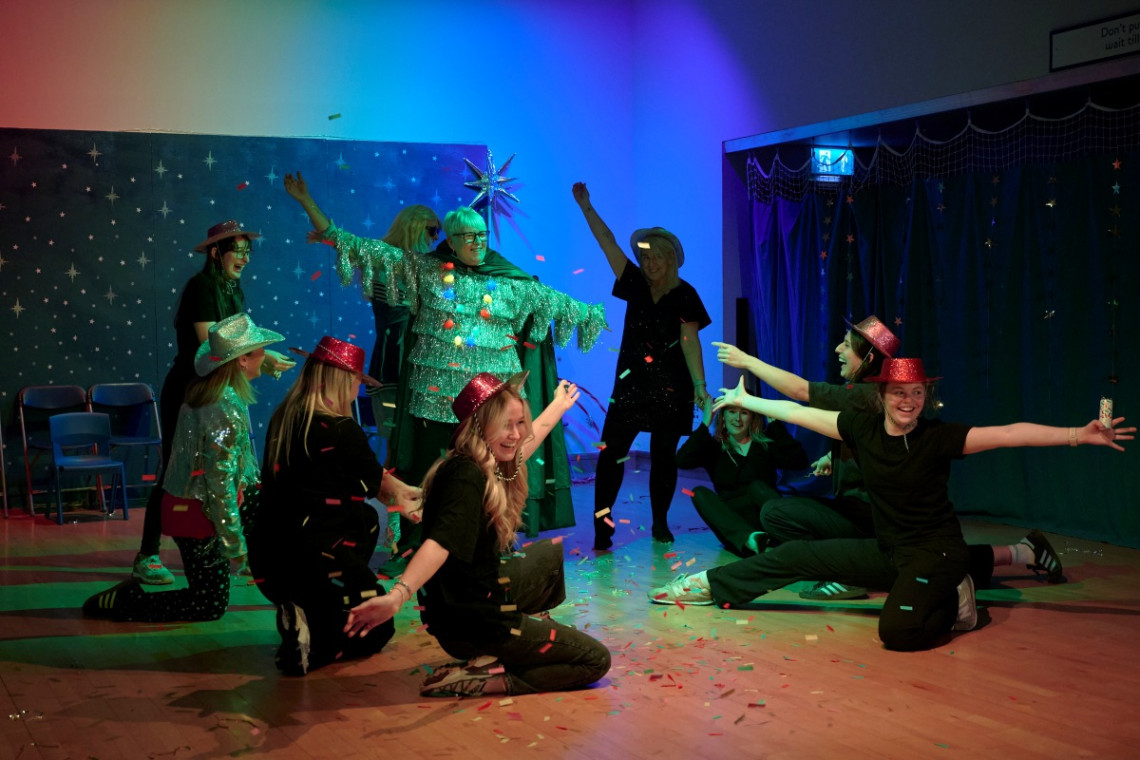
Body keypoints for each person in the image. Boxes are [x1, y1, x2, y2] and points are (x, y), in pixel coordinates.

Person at [650, 359, 1135, 652]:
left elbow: (1010, 435)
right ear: (881, 396)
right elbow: (800, 411)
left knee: (898, 632)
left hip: (935, 553)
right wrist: (751, 404)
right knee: (796, 555)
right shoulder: (860, 428)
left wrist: (1079, 435)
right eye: (900, 393)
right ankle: (712, 585)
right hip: (887, 549)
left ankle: (959, 603)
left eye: (917, 394)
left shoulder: (939, 438)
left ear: (926, 398)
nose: (909, 401)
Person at [284, 172, 606, 538]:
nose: (476, 243)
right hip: (434, 403)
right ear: (451, 241)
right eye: (467, 237)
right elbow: (358, 246)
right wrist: (309, 203)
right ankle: (420, 548)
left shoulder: (511, 282)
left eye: (481, 236)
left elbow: (560, 304)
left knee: (490, 478)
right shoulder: (423, 269)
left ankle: (489, 541)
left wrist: (593, 314)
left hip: (489, 408)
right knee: (430, 479)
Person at [714, 315, 1065, 600]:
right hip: (891, 522)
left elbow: (799, 394)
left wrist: (747, 362)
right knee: (923, 558)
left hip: (877, 516)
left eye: (846, 346)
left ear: (867, 359)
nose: (837, 349)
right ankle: (1022, 552)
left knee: (779, 513)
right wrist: (835, 460)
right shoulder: (868, 399)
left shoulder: (867, 395)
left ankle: (850, 577)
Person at [343, 372, 611, 697]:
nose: (516, 434)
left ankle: (502, 654)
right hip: (472, 622)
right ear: (481, 426)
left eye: (519, 422)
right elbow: (439, 544)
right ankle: (491, 676)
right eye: (506, 425)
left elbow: (530, 440)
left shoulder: (485, 460)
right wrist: (397, 596)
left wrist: (558, 405)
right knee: (596, 660)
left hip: (476, 596)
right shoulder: (466, 477)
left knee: (550, 556)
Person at [84, 314, 284, 621]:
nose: (264, 359)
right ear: (243, 360)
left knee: (266, 501)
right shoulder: (223, 409)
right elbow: (219, 485)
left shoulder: (221, 397)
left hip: (206, 508)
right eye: (260, 353)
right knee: (208, 606)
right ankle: (127, 603)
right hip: (198, 516)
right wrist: (236, 546)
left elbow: (240, 477)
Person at [131, 220, 295, 586]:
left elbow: (240, 341)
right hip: (193, 390)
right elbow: (214, 346)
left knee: (230, 472)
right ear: (216, 252)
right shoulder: (201, 287)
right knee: (177, 472)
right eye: (239, 250)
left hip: (222, 388)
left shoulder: (232, 288)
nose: (245, 258)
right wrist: (264, 359)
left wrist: (263, 358)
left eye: (248, 251)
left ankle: (230, 546)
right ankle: (148, 554)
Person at [249, 336, 423, 676]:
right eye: (356, 380)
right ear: (344, 381)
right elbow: (386, 490)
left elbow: (382, 485)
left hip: (269, 556)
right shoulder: (344, 431)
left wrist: (402, 492)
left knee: (367, 517)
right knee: (377, 627)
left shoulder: (283, 419)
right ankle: (313, 647)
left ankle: (308, 611)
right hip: (316, 557)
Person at [572, 182, 711, 549]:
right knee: (610, 456)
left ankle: (661, 524)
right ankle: (603, 526)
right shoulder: (633, 282)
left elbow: (690, 342)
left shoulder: (685, 295)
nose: (648, 263)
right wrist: (587, 206)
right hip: (631, 387)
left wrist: (700, 386)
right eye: (645, 256)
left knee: (664, 459)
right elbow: (608, 243)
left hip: (671, 389)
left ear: (670, 259)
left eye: (655, 257)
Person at [676, 396, 808, 557]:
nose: (737, 419)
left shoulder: (765, 445)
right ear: (723, 416)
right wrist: (705, 422)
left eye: (744, 413)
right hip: (733, 524)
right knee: (698, 492)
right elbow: (681, 460)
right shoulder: (714, 448)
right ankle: (750, 540)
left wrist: (773, 421)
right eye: (732, 412)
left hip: (767, 517)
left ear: (753, 417)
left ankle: (792, 538)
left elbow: (799, 461)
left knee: (757, 487)